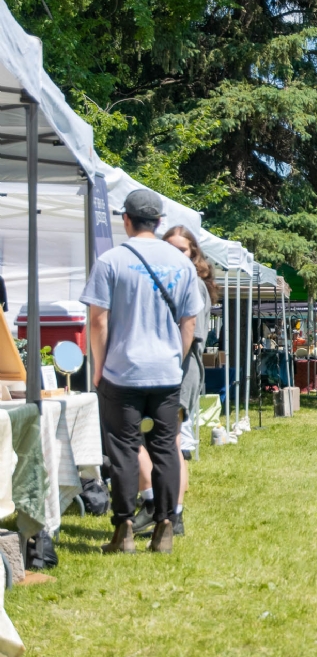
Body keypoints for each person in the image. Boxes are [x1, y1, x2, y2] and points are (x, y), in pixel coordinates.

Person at [81, 189, 203, 554]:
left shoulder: (110, 261)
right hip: (166, 373)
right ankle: (166, 525)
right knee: (166, 447)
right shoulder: (182, 264)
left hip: (123, 372)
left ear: (126, 220)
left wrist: (99, 368)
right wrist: (174, 361)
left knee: (123, 450)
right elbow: (189, 324)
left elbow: (98, 321)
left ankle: (124, 530)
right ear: (159, 222)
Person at [132, 226, 216, 539]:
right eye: (169, 248)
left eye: (181, 249)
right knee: (163, 443)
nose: (174, 254)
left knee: (167, 442)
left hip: (180, 371)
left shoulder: (192, 283)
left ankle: (164, 510)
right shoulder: (172, 280)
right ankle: (166, 510)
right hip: (166, 370)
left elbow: (190, 334)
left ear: (195, 254)